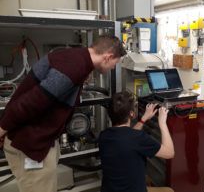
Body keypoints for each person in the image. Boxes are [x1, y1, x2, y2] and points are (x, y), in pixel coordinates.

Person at [0, 35, 126, 192]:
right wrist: (2, 128)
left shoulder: (75, 57)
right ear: (108, 57)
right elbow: (31, 102)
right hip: (30, 145)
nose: (113, 69)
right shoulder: (74, 67)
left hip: (38, 140)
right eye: (115, 64)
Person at [98, 91, 175, 192]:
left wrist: (144, 119)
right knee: (169, 191)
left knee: (146, 180)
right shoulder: (138, 138)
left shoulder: (104, 136)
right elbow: (170, 153)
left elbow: (127, 136)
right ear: (132, 114)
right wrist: (162, 123)